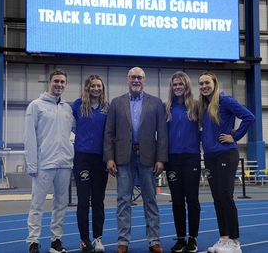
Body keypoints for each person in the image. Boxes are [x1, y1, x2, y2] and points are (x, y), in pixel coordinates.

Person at [104, 67, 167, 253]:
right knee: (123, 200)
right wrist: (109, 158)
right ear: (127, 80)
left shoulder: (156, 103)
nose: (136, 80)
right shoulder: (116, 103)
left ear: (145, 81)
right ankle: (123, 241)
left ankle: (154, 241)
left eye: (139, 77)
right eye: (133, 77)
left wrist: (161, 159)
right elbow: (108, 134)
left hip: (148, 157)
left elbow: (162, 134)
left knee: (151, 200)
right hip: (124, 157)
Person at [198, 71, 255, 253]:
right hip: (210, 156)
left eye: (207, 82)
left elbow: (249, 117)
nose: (204, 86)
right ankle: (223, 239)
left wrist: (235, 136)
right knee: (217, 198)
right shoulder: (204, 106)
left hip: (225, 154)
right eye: (200, 84)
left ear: (214, 83)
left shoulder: (226, 101)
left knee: (225, 196)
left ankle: (234, 242)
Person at [24, 68, 75, 253]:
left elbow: (77, 132)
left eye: (62, 82)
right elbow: (29, 137)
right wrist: (32, 164)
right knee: (37, 204)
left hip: (64, 164)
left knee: (61, 205)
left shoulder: (68, 109)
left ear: (66, 84)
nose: (59, 84)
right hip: (44, 164)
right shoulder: (36, 106)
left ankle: (56, 241)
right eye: (56, 81)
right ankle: (33, 242)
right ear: (49, 82)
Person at [71, 75, 109, 253]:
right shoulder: (77, 105)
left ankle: (97, 239)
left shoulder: (107, 108)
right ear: (87, 87)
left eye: (98, 86)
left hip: (101, 159)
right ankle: (84, 240)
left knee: (98, 201)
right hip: (82, 157)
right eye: (92, 86)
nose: (96, 89)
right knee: (84, 200)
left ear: (103, 88)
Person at [165, 72, 201, 253]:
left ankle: (193, 239)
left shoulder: (196, 107)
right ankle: (180, 238)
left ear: (186, 86)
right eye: (175, 85)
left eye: (180, 84)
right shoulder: (167, 109)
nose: (177, 87)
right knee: (177, 201)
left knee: (192, 199)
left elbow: (211, 124)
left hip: (191, 157)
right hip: (172, 159)